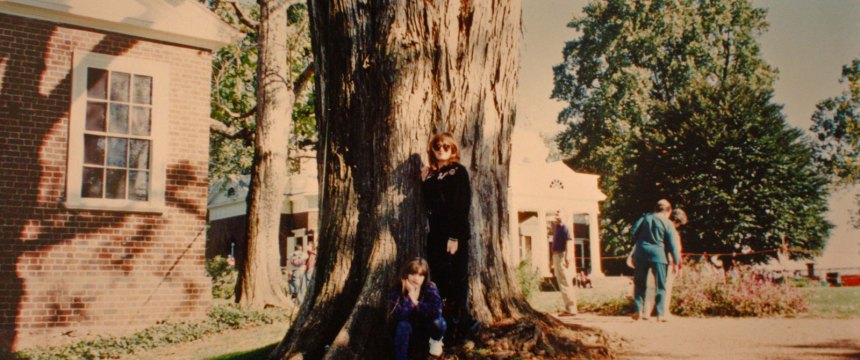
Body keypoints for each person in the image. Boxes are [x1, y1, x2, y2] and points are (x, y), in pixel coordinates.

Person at [421, 132, 474, 341]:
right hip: (436, 236)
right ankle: (446, 329)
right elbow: (431, 203)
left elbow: (460, 205)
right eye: (437, 146)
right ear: (432, 149)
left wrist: (454, 237)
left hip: (453, 237)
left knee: (456, 281)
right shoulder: (433, 175)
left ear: (453, 149)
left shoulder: (457, 172)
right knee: (441, 282)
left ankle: (462, 328)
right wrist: (425, 180)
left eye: (446, 146)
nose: (441, 149)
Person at [630, 199, 681, 322]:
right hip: (659, 255)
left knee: (640, 284)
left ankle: (638, 311)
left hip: (641, 254)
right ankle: (660, 314)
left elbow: (633, 233)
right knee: (661, 285)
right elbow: (673, 244)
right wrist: (676, 262)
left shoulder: (644, 218)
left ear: (655, 209)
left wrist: (642, 242)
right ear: (668, 211)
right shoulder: (668, 223)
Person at [389, 258, 446, 359]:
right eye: (413, 274)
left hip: (426, 328)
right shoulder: (398, 289)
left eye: (420, 275)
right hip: (408, 331)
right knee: (403, 325)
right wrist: (409, 298)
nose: (416, 278)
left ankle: (435, 341)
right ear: (406, 274)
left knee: (439, 322)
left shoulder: (430, 287)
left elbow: (437, 310)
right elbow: (398, 316)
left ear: (425, 277)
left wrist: (416, 303)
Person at [645, 208, 688, 317]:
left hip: (652, 261)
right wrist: (678, 264)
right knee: (665, 288)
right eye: (679, 224)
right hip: (666, 263)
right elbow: (675, 250)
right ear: (675, 221)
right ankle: (663, 312)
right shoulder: (672, 232)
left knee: (650, 288)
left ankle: (645, 312)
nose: (678, 227)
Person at [550, 211, 578, 315]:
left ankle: (571, 309)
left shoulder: (565, 227)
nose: (556, 217)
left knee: (565, 281)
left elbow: (569, 242)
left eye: (558, 214)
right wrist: (552, 260)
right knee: (562, 282)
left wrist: (568, 256)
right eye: (555, 214)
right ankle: (569, 308)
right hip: (556, 255)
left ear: (564, 216)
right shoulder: (557, 228)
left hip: (562, 255)